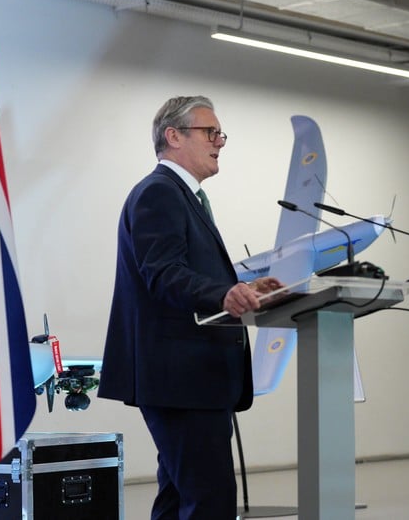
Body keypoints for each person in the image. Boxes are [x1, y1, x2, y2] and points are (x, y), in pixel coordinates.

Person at [98, 95, 282, 519]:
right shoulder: (159, 193)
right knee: (210, 502)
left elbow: (183, 272)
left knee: (180, 499)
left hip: (189, 380)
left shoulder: (183, 195)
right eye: (210, 132)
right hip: (180, 379)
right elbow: (162, 273)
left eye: (221, 133)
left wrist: (242, 288)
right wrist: (223, 294)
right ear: (173, 136)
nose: (220, 141)